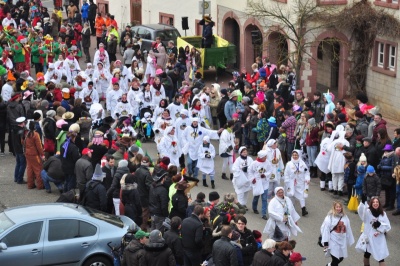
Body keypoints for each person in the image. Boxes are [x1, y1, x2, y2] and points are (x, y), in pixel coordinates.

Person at [356, 197, 391, 266]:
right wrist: (363, 203)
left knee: (381, 257)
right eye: (373, 202)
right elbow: (361, 212)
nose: (375, 203)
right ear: (371, 204)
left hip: (378, 238)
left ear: (379, 204)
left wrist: (380, 225)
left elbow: (388, 226)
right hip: (368, 237)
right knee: (367, 254)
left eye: (377, 202)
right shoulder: (367, 212)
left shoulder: (383, 214)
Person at [321, 201, 354, 266]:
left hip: (341, 241)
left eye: (340, 207)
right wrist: (325, 242)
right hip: (333, 241)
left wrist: (349, 239)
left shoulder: (345, 217)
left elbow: (348, 228)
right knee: (336, 259)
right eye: (337, 207)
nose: (338, 208)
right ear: (334, 208)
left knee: (341, 258)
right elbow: (326, 229)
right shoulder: (330, 217)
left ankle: (329, 265)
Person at [284, 150, 310, 216]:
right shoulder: (289, 164)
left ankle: (303, 209)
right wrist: (287, 181)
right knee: (291, 195)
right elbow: (286, 174)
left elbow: (306, 172)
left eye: (296, 155)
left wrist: (307, 179)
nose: (295, 156)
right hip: (291, 182)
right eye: (293, 155)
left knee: (301, 195)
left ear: (299, 156)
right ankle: (292, 208)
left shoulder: (302, 163)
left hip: (300, 182)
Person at [249, 150, 272, 220]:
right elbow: (250, 171)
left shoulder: (267, 162)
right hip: (257, 182)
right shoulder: (254, 163)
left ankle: (263, 214)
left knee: (264, 198)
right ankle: (254, 208)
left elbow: (270, 171)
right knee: (256, 197)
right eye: (265, 156)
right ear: (261, 157)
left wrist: (265, 175)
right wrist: (253, 178)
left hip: (265, 183)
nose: (266, 157)